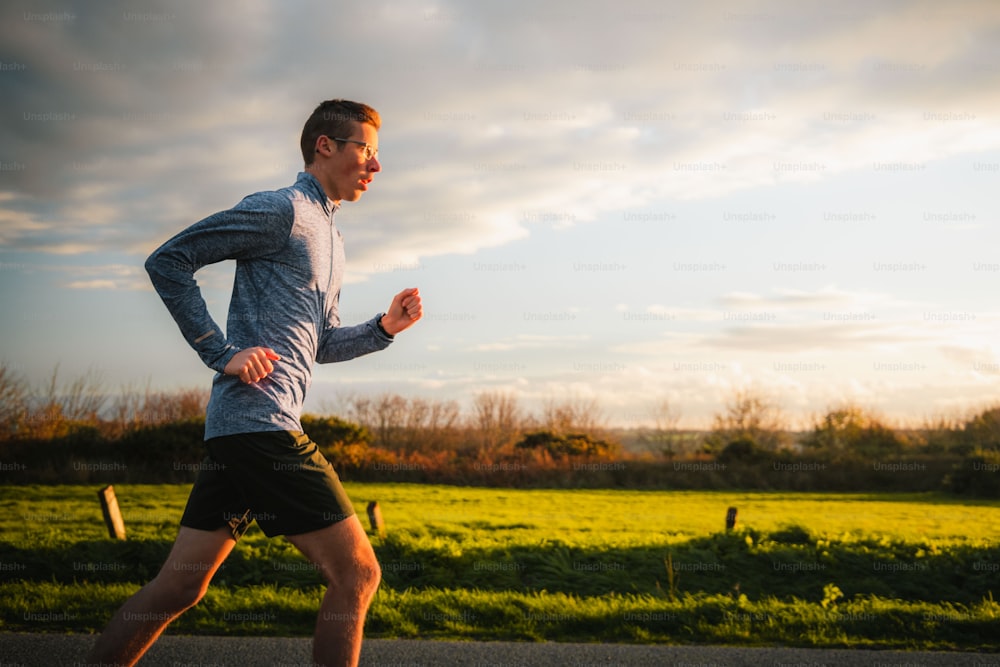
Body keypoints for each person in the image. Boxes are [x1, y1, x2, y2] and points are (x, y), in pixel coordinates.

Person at [86, 99, 422, 667]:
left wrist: (384, 329)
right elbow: (169, 261)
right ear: (325, 146)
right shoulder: (281, 209)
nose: (376, 166)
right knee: (358, 572)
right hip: (261, 425)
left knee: (179, 588)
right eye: (366, 150)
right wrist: (221, 352)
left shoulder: (332, 238)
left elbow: (319, 345)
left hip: (240, 433)